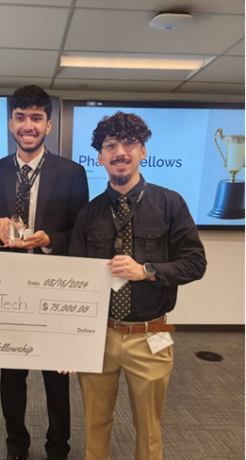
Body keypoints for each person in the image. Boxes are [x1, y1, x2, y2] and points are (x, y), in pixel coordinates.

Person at [69, 111, 207, 460]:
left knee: (149, 429)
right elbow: (73, 282)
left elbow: (195, 264)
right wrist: (69, 341)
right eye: (110, 145)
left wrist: (146, 270)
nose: (120, 152)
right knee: (95, 425)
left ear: (143, 151)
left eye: (129, 143)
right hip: (99, 337)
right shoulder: (89, 214)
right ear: (99, 156)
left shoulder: (170, 203)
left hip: (150, 336)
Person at [0, 85, 89, 460]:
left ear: (48, 123)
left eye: (36, 118)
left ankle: (58, 446)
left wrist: (48, 240)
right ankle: (17, 446)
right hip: (9, 292)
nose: (28, 125)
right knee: (11, 376)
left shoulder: (72, 172)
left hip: (53, 291)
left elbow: (81, 233)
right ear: (11, 122)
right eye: (21, 117)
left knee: (55, 379)